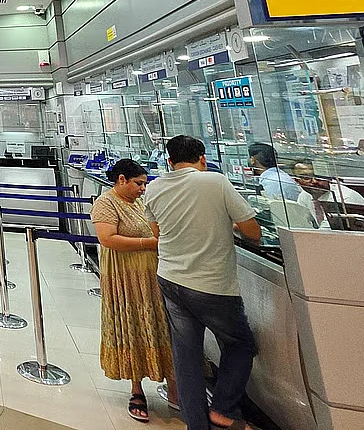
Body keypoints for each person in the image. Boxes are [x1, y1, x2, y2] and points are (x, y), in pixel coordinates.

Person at [144, 135, 262, 430]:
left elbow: (158, 232)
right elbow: (253, 231)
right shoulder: (215, 181)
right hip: (212, 284)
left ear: (169, 161)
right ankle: (223, 408)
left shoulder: (155, 187)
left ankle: (196, 423)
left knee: (186, 356)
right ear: (202, 158)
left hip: (170, 278)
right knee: (241, 344)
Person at [92, 159, 177, 423]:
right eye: (138, 183)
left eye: (144, 184)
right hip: (124, 278)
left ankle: (175, 384)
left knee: (161, 324)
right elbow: (107, 239)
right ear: (122, 179)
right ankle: (136, 388)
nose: (143, 188)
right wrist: (149, 243)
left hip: (152, 275)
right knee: (132, 326)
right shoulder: (105, 203)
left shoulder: (141, 202)